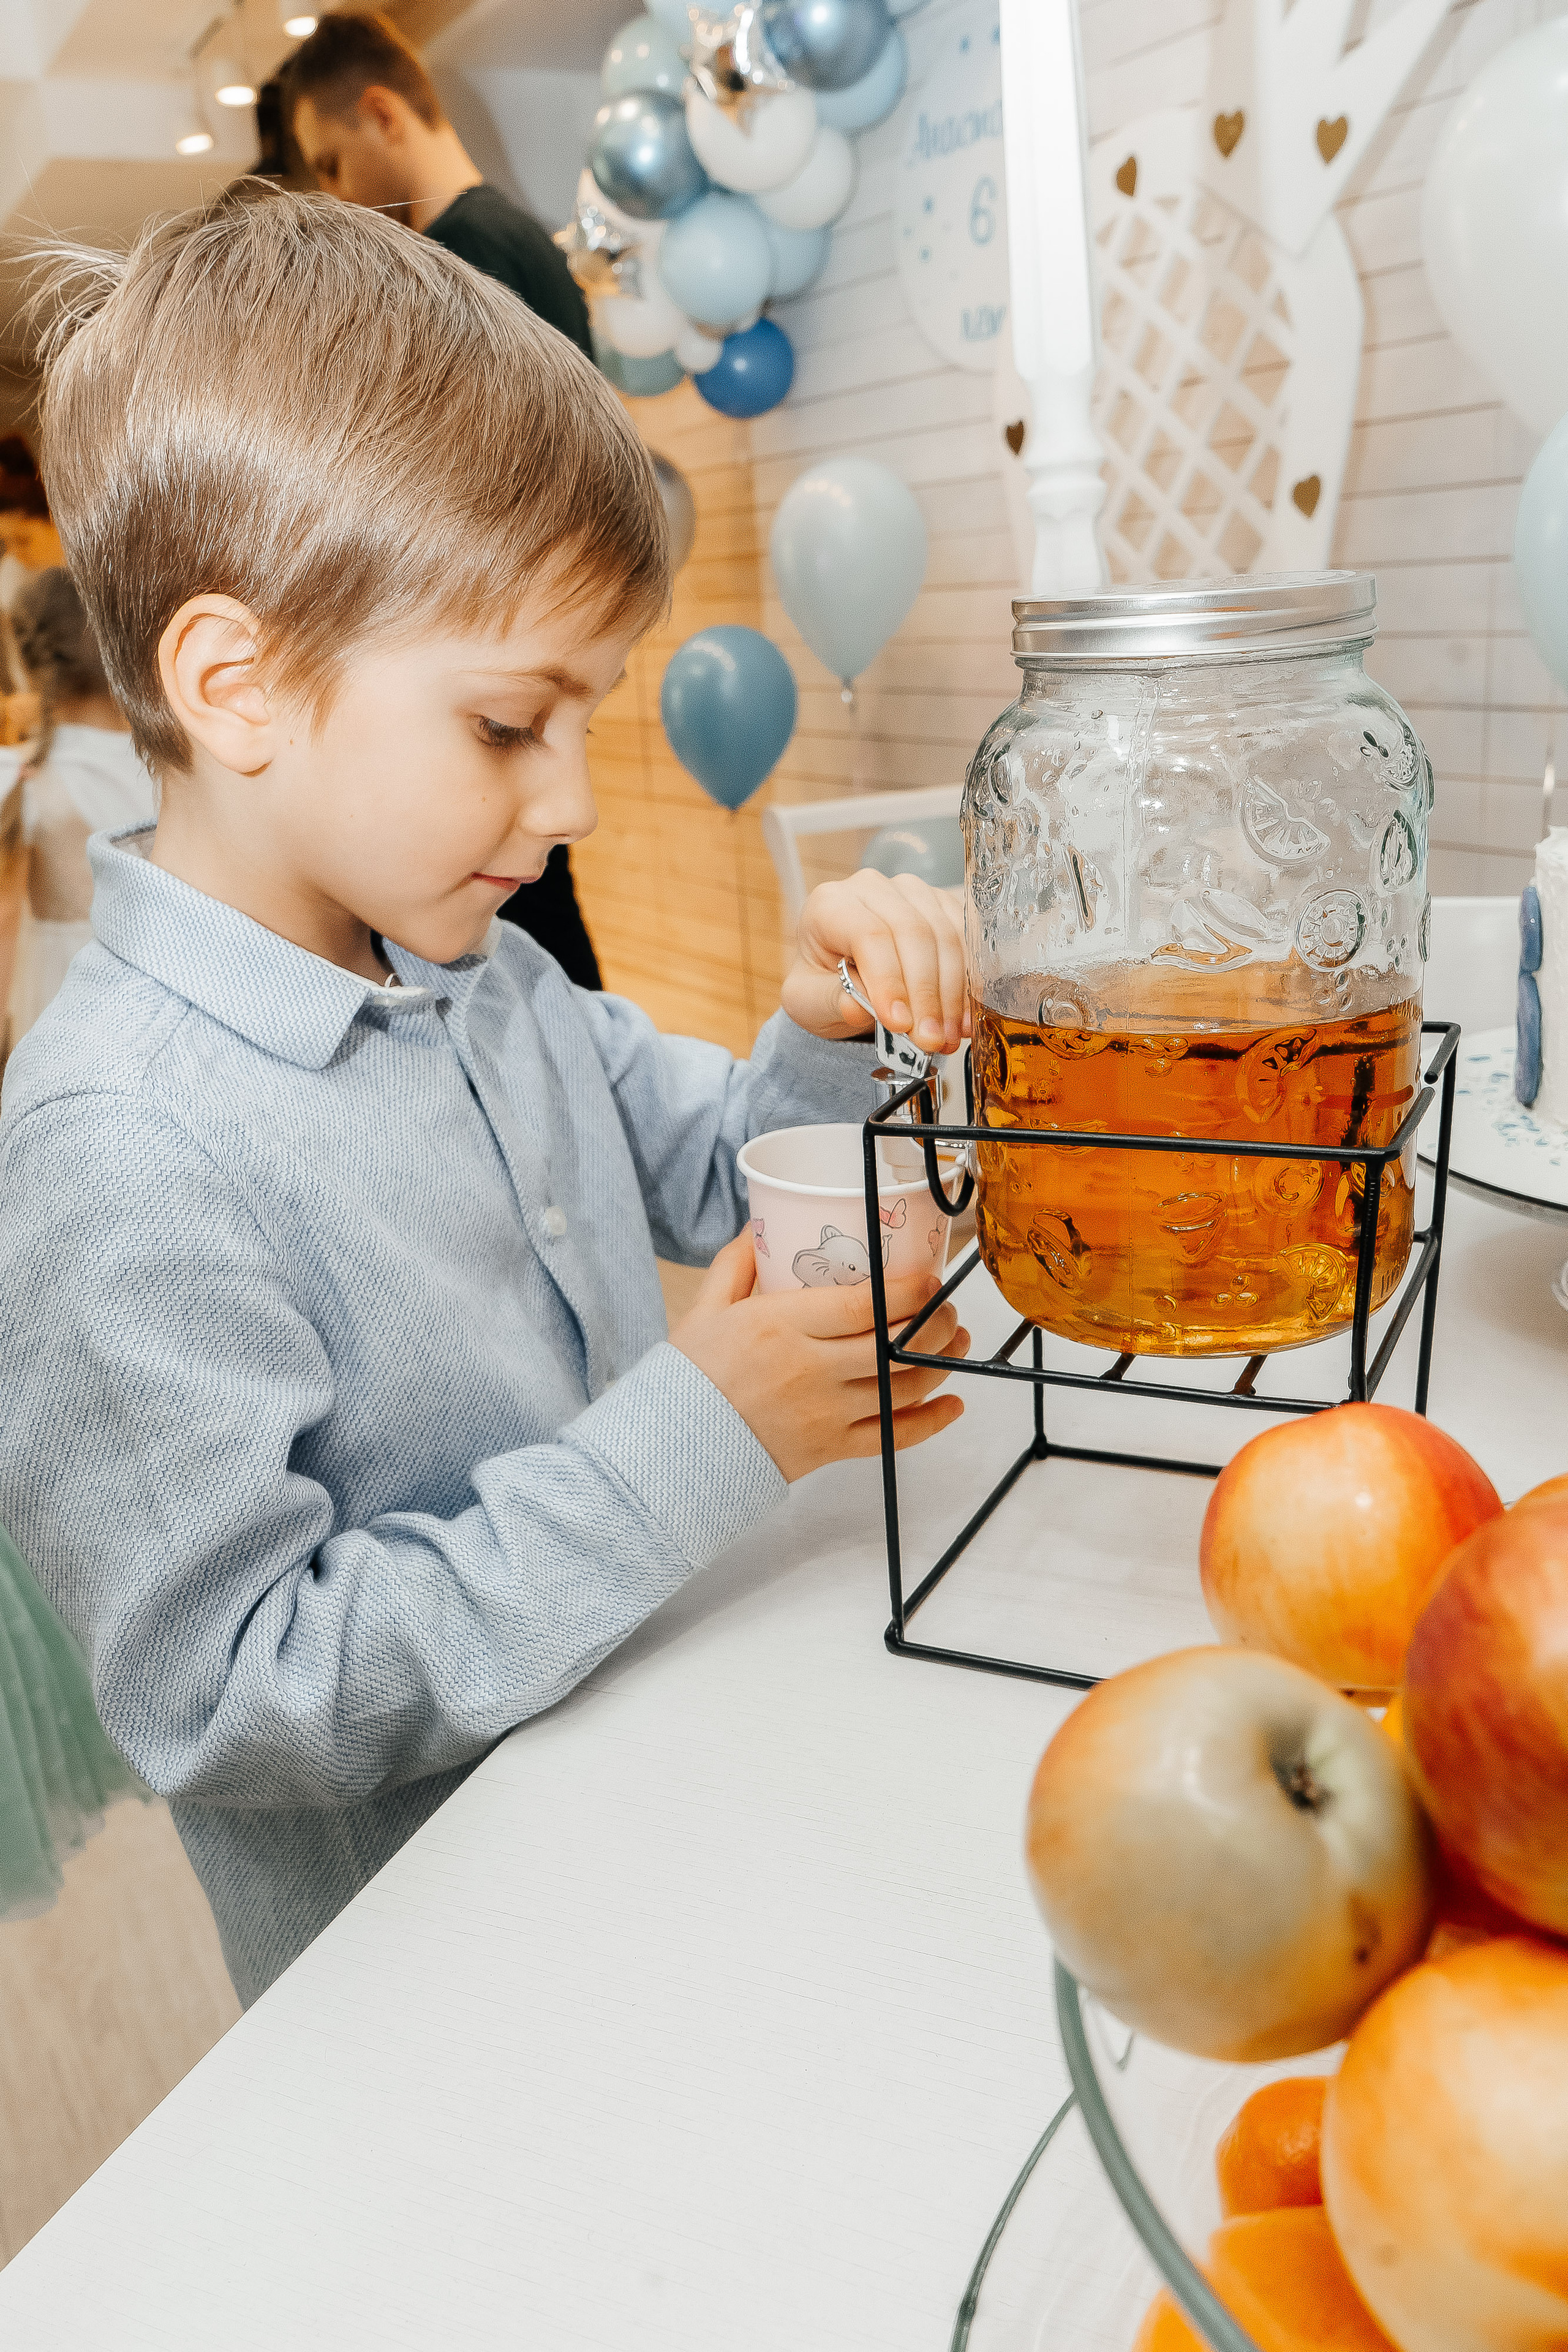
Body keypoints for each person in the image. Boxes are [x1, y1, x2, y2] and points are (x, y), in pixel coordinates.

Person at [0, 184, 970, 2006]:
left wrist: (823, 1024)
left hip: (654, 1812)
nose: (576, 799)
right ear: (240, 682)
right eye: (508, 724)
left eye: (583, 719)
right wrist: (706, 1427)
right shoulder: (116, 1155)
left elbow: (707, 1169)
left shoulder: (483, 968)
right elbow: (233, 1689)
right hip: (439, 1993)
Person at [282, 9, 602, 987]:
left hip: (491, 640)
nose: (331, 193)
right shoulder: (513, 241)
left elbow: (449, 498)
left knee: (520, 939)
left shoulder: (466, 263)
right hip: (519, 641)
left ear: (381, 114)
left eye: (330, 162)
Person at [5, 569, 157, 1041]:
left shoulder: (28, 780)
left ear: (29, 662)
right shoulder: (172, 768)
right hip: (160, 996)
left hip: (61, 1000)